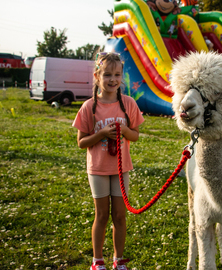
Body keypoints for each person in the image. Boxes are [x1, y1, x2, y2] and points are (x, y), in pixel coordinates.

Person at [73, 52, 145, 270]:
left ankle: (118, 259)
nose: (112, 79)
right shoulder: (88, 107)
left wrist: (124, 130)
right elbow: (81, 142)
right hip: (98, 169)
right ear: (97, 76)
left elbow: (136, 135)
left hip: (121, 168)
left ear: (122, 76)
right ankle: (97, 260)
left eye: (117, 74)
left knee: (120, 215)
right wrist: (102, 133)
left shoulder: (128, 104)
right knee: (102, 215)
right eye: (107, 75)